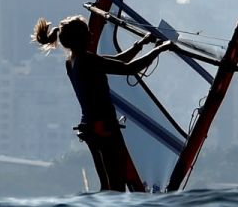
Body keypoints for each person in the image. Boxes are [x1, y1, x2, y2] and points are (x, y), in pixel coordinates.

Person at [34, 15, 173, 192]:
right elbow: (130, 68)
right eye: (87, 32)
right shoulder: (88, 61)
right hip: (104, 129)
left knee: (107, 186)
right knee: (116, 185)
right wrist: (160, 49)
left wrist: (141, 44)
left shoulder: (72, 62)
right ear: (80, 38)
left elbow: (118, 60)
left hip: (90, 129)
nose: (91, 34)